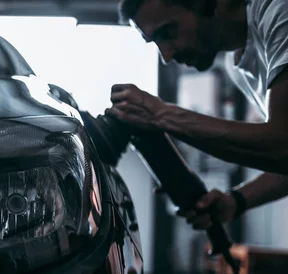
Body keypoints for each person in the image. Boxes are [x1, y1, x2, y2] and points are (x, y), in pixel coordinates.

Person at [107, 0, 288, 230]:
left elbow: (283, 145)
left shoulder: (278, 11)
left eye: (168, 32)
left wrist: (162, 115)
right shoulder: (238, 67)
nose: (167, 56)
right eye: (156, 42)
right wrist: (237, 200)